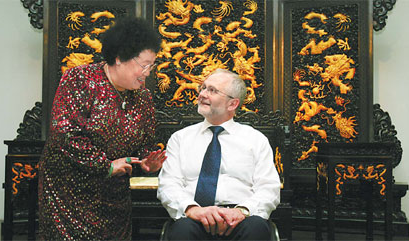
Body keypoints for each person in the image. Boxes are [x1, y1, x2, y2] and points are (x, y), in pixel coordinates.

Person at [38, 17, 166, 240]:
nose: (148, 72)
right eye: (144, 65)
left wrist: (147, 161)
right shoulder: (80, 79)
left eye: (151, 66)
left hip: (114, 196)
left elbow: (145, 141)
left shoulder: (143, 97)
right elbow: (65, 133)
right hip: (69, 192)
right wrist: (104, 165)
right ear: (119, 58)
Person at [157, 68, 281, 240]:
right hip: (195, 217)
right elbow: (168, 184)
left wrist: (242, 211)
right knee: (181, 230)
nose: (202, 94)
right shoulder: (180, 139)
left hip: (241, 218)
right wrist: (193, 210)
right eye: (203, 88)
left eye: (212, 90)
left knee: (257, 228)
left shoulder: (255, 140)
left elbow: (269, 188)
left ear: (232, 104)